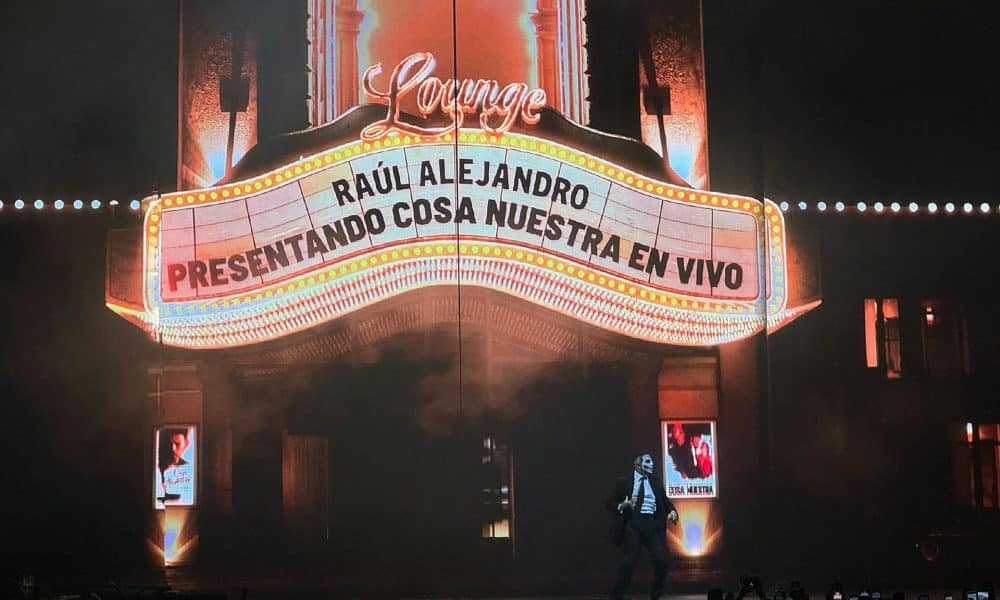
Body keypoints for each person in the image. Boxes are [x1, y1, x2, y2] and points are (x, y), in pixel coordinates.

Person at [605, 452, 678, 600]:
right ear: (638, 465)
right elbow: (609, 504)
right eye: (647, 461)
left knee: (661, 559)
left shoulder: (656, 482)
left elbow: (665, 501)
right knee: (628, 563)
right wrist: (622, 505)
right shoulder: (624, 482)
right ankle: (617, 595)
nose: (651, 465)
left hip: (652, 524)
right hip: (634, 524)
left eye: (651, 462)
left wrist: (672, 511)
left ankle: (656, 593)